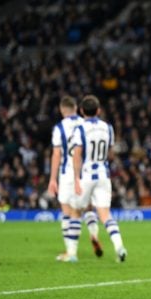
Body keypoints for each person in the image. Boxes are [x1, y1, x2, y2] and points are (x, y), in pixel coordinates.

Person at [71, 95, 128, 263]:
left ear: (81, 111)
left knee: (76, 211)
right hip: (103, 174)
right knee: (105, 214)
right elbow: (110, 153)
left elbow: (77, 155)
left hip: (87, 174)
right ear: (99, 111)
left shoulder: (79, 129)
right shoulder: (107, 128)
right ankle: (119, 247)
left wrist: (75, 178)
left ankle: (73, 252)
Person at [48, 95, 104, 262]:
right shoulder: (85, 124)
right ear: (76, 109)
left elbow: (57, 154)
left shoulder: (59, 128)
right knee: (87, 208)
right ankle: (93, 234)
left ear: (61, 109)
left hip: (66, 173)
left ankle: (71, 252)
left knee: (68, 212)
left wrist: (52, 178)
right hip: (83, 172)